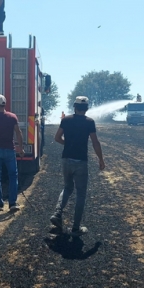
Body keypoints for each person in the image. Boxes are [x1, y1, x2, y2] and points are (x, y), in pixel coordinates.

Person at [50, 96, 105, 237]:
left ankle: (57, 213)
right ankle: (75, 228)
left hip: (66, 159)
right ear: (86, 108)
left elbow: (57, 138)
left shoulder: (66, 120)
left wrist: (67, 144)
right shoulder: (89, 122)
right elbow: (95, 142)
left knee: (67, 188)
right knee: (81, 193)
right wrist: (101, 159)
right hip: (81, 161)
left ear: (74, 106)